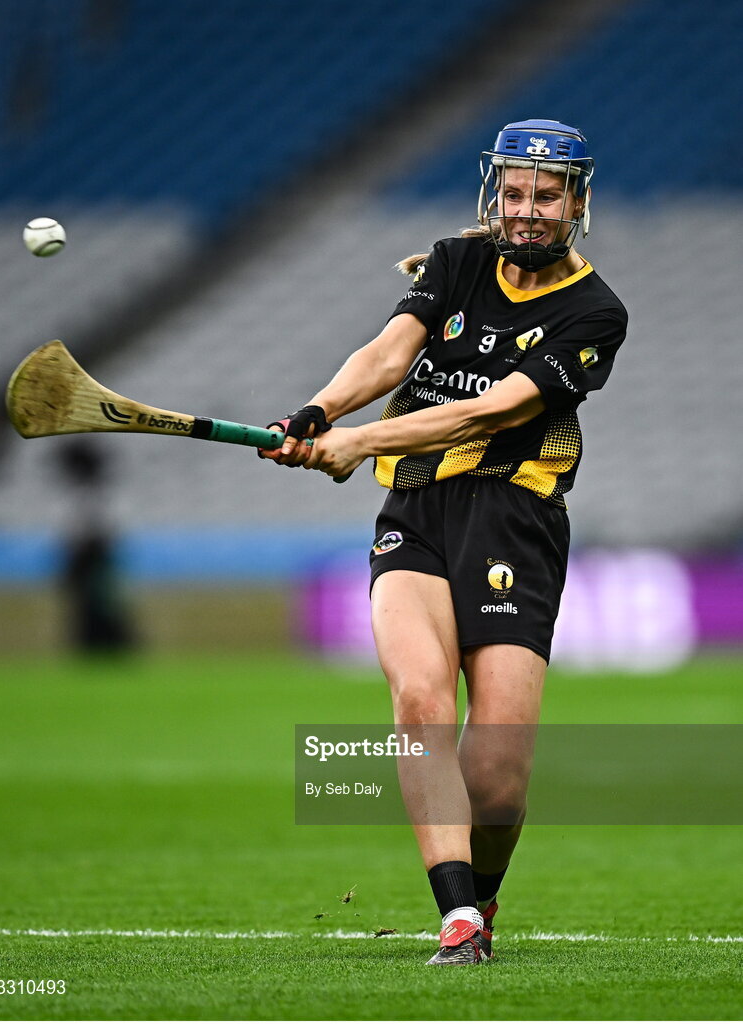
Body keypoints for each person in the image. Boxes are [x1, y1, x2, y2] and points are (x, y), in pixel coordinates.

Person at [262, 119, 627, 965]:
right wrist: (319, 414)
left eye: (545, 195)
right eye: (513, 191)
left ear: (576, 201)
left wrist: (360, 444)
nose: (526, 210)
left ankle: (484, 895)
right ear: (491, 191)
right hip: (418, 514)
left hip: (515, 524)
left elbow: (489, 408)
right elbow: (390, 354)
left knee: (497, 774)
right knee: (421, 702)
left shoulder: (595, 312)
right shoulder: (455, 261)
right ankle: (456, 918)